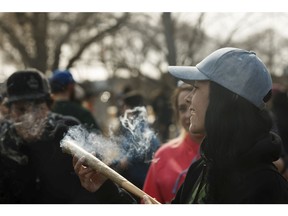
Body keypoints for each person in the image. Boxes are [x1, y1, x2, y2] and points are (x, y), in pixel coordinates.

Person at [73, 47, 288, 204]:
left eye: (196, 88)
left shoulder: (266, 188)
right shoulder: (202, 168)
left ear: (225, 100)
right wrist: (105, 189)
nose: (188, 99)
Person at [0, 69, 96, 203]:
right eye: (21, 109)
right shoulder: (3, 141)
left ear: (49, 107)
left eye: (38, 108)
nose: (31, 117)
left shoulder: (67, 131)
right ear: (9, 112)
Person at [142, 82, 204, 203]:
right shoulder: (163, 155)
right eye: (182, 109)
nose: (188, 114)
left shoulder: (227, 153)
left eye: (193, 106)